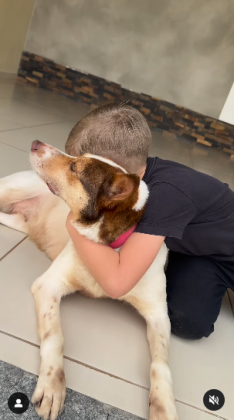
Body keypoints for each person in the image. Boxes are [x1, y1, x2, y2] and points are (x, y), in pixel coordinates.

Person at [65, 102, 234, 340]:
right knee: (188, 323)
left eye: (79, 169)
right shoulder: (135, 180)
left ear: (108, 166)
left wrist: (75, 220)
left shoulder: (164, 197)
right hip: (202, 253)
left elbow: (116, 283)